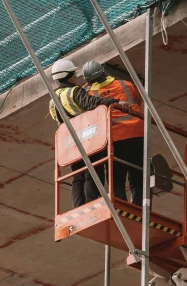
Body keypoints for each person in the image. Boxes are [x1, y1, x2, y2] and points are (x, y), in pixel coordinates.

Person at [49, 58, 127, 208]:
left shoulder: (53, 99)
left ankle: (78, 206)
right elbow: (91, 104)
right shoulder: (74, 91)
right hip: (87, 137)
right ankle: (91, 204)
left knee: (78, 175)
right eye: (74, 74)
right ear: (70, 76)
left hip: (69, 142)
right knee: (93, 171)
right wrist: (115, 102)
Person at [83, 61, 144, 207]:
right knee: (138, 176)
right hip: (137, 134)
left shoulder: (91, 95)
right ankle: (140, 207)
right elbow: (138, 101)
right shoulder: (126, 85)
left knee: (117, 179)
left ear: (88, 80)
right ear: (104, 72)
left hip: (116, 138)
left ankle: (121, 207)